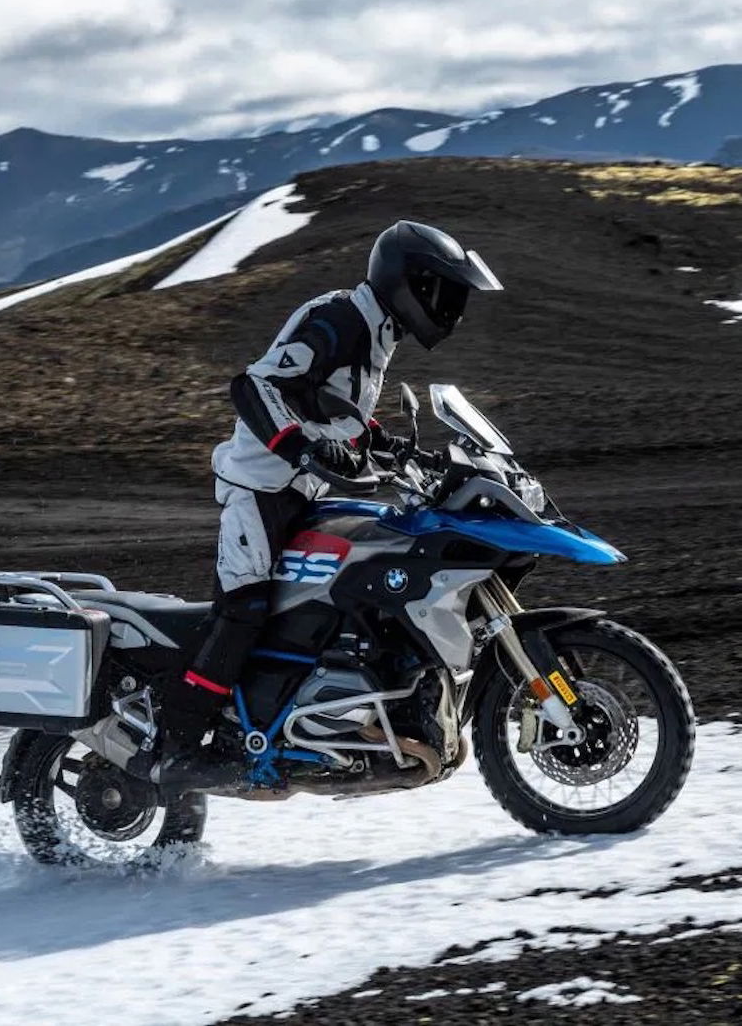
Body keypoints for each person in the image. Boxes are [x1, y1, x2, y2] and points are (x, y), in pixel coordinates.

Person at [158, 220, 504, 789]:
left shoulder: (377, 330)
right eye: (445, 292)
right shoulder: (340, 317)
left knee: (330, 600)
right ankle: (174, 746)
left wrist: (400, 450)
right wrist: (299, 448)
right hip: (261, 489)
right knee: (244, 608)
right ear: (409, 282)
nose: (454, 308)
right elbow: (256, 386)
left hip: (304, 492)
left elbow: (335, 406)